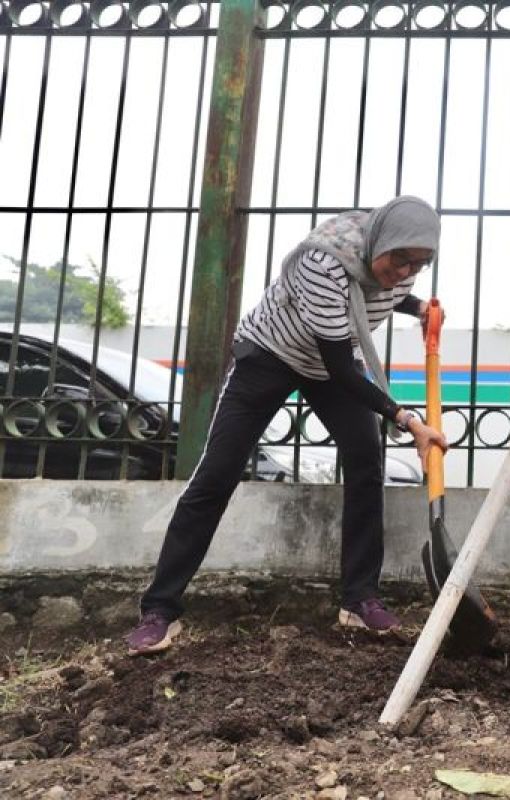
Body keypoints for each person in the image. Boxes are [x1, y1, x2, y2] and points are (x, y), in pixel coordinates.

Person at [126, 196, 449, 655]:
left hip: (328, 365)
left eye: (418, 264)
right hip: (270, 357)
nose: (404, 272)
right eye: (400, 261)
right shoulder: (323, 263)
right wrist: (404, 418)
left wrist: (417, 307)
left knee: (366, 464)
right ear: (382, 241)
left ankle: (359, 599)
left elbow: (379, 294)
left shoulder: (398, 257)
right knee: (216, 475)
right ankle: (159, 609)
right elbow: (342, 368)